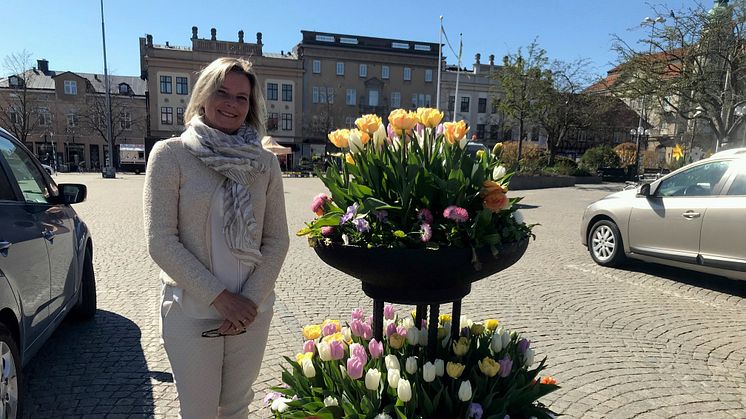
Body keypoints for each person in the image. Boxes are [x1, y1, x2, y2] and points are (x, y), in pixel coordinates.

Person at [143, 57, 289, 418]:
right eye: (222, 92)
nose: (232, 103)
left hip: (251, 312)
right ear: (203, 96)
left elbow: (277, 240)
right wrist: (222, 299)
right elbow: (161, 240)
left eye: (242, 98)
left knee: (237, 407)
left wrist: (248, 303)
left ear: (251, 106)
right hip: (191, 310)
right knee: (199, 412)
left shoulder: (264, 163)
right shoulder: (171, 155)